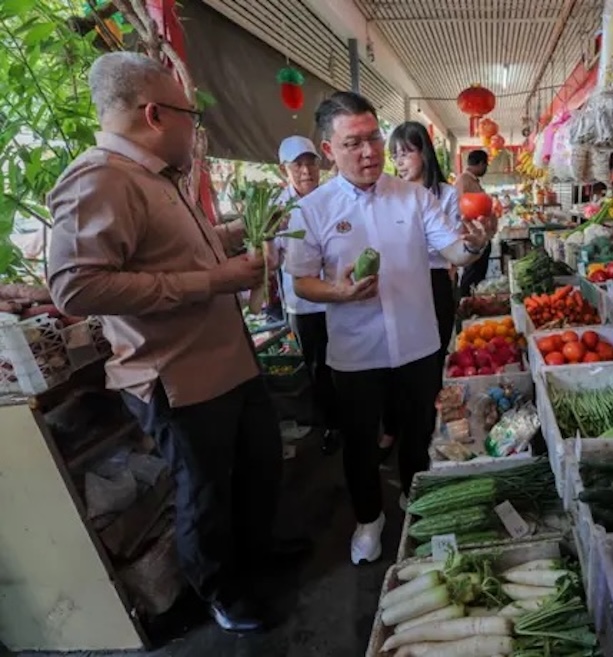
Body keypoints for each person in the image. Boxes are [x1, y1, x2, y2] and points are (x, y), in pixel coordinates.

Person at [46, 52, 304, 633]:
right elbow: (75, 285)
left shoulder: (154, 176)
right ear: (156, 113)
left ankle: (256, 554)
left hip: (228, 362)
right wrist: (216, 280)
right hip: (178, 377)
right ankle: (221, 591)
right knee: (205, 493)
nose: (198, 130)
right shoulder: (100, 178)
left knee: (257, 466)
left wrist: (235, 236)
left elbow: (173, 249)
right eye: (193, 115)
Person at [284, 92, 495, 565]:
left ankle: (415, 500)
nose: (370, 152)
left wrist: (477, 245)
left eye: (374, 139)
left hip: (419, 343)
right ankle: (368, 519)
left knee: (419, 431)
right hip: (356, 352)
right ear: (328, 150)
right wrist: (337, 294)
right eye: (354, 143)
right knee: (360, 444)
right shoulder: (312, 210)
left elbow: (454, 252)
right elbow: (302, 283)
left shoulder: (415, 197)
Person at [379, 121, 461, 460]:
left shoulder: (446, 194)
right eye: (395, 155)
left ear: (423, 153)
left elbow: (451, 245)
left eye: (406, 152)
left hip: (435, 281)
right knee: (394, 355)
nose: (400, 161)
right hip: (399, 283)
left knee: (433, 356)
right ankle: (392, 425)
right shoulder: (389, 195)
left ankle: (428, 424)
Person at [273, 136, 340, 455]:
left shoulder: (334, 198)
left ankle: (359, 415)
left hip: (341, 297)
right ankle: (332, 424)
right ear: (283, 169)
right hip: (303, 305)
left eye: (310, 162)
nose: (306, 170)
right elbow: (268, 257)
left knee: (347, 359)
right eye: (297, 164)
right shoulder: (277, 210)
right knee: (318, 366)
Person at [455, 149, 493, 297]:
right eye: (486, 165)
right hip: (471, 237)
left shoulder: (471, 181)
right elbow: (460, 210)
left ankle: (474, 301)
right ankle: (465, 304)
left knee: (477, 274)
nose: (486, 169)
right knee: (471, 275)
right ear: (481, 163)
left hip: (479, 236)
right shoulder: (463, 181)